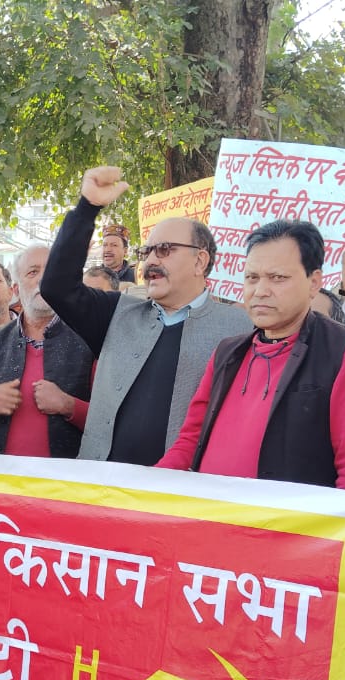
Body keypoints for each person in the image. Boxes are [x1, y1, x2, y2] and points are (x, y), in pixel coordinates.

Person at [156, 219, 345, 493]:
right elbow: (189, 440)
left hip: (290, 529)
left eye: (277, 278)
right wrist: (142, 487)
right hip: (212, 522)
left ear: (314, 282)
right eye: (252, 278)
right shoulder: (227, 352)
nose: (260, 291)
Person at [41, 166, 250, 466]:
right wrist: (87, 208)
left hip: (183, 497)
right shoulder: (117, 313)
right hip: (103, 491)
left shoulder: (238, 329)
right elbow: (57, 287)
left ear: (200, 261)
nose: (151, 260)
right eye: (147, 251)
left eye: (165, 250)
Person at [0, 245, 92, 457]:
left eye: (50, 271)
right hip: (4, 481)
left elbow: (108, 423)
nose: (43, 279)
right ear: (15, 289)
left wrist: (68, 406)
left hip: (68, 483)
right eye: (33, 272)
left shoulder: (88, 337)